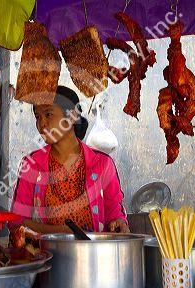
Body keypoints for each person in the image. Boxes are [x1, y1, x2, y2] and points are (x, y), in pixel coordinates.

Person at [11, 86, 129, 234]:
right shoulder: (31, 164)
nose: (42, 124)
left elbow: (114, 212)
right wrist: (59, 232)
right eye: (37, 117)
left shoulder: (102, 164)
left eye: (48, 114)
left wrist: (119, 223)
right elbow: (17, 220)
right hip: (45, 255)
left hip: (94, 255)